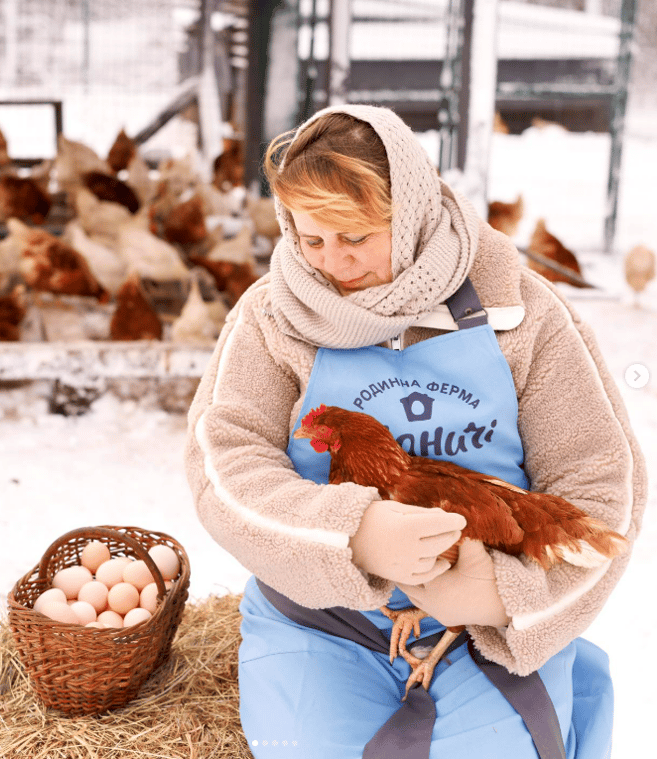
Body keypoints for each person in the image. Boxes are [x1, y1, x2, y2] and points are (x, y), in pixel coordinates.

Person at [184, 104, 646, 758]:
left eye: (356, 236)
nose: (333, 263)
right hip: (321, 621)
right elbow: (224, 465)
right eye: (311, 240)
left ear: (410, 215)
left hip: (487, 631)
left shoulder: (522, 310)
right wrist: (350, 534)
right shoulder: (271, 315)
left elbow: (603, 485)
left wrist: (501, 595)